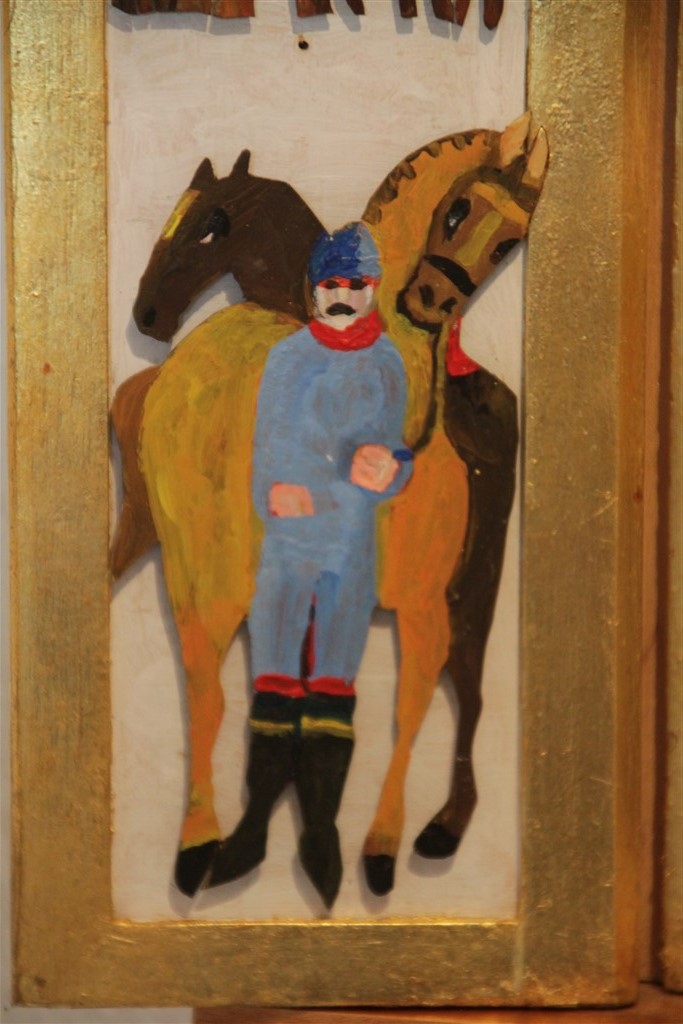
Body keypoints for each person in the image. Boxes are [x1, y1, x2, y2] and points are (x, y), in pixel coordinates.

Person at [207, 223, 413, 907]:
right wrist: (276, 489)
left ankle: (320, 830)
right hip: (289, 547)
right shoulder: (289, 358)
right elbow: (267, 447)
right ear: (314, 290)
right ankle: (254, 827)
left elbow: (394, 450)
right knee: (274, 680)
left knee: (330, 686)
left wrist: (391, 468)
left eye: (355, 284)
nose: (342, 295)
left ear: (371, 288)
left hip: (349, 549)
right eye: (332, 284)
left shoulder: (386, 362)